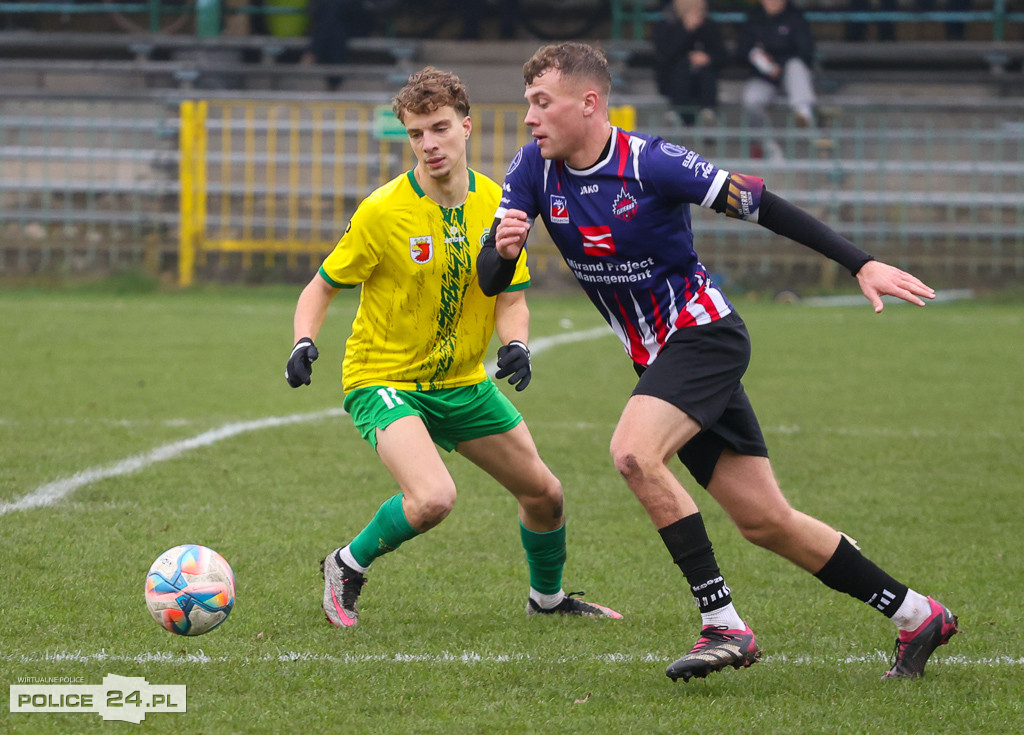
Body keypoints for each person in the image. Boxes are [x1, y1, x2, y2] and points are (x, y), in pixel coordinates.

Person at [478, 42, 958, 682]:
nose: (530, 118)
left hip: (704, 336)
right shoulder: (531, 171)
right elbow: (489, 281)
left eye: (542, 103)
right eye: (527, 104)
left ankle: (722, 624)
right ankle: (916, 614)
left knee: (632, 453)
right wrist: (502, 250)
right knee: (765, 521)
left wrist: (859, 262)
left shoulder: (652, 162)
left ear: (589, 103)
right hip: (658, 360)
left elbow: (762, 204)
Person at [286, 66, 621, 629]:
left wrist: (517, 345)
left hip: (462, 381)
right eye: (416, 134)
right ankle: (346, 564)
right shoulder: (382, 211)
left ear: (467, 127)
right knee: (433, 497)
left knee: (545, 495)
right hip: (384, 380)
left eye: (440, 128)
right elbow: (321, 286)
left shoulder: (499, 202)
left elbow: (510, 296)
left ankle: (548, 599)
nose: (429, 144)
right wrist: (302, 341)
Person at [736, 0, 818, 138]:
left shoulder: (796, 17)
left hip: (791, 76)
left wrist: (779, 65)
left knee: (795, 65)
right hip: (764, 77)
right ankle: (765, 143)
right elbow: (741, 53)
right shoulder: (753, 18)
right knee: (751, 99)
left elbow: (806, 52)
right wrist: (759, 60)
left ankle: (803, 114)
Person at [651, 0, 727, 127]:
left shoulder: (709, 26)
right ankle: (680, 114)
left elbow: (722, 56)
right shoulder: (666, 25)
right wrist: (685, 30)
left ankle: (708, 114)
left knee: (704, 69)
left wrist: (707, 58)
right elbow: (665, 55)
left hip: (703, 82)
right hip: (673, 80)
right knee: (683, 67)